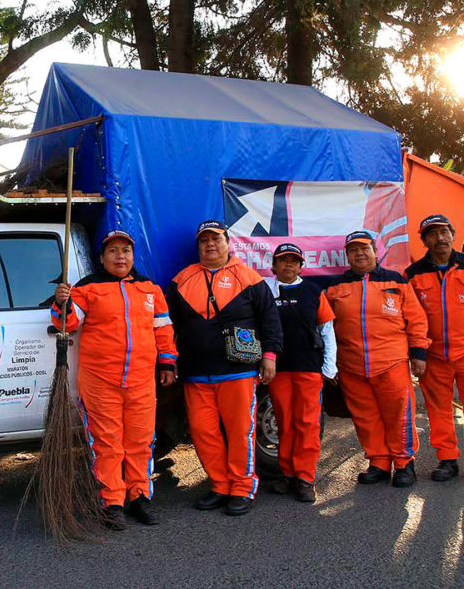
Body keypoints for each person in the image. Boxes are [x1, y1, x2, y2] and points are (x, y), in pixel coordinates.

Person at [52, 229, 178, 530]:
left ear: (132, 257)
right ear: (102, 258)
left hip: (141, 380)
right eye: (113, 251)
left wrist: (168, 362)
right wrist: (62, 302)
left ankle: (139, 497)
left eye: (125, 251)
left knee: (141, 442)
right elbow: (66, 323)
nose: (120, 256)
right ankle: (112, 503)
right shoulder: (87, 288)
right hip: (100, 381)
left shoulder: (150, 289)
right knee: (108, 445)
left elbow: (163, 330)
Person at [165, 220, 283, 516]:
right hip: (195, 373)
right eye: (204, 241)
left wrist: (269, 355)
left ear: (228, 242)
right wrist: (170, 359)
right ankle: (220, 485)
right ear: (198, 247)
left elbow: (270, 320)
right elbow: (168, 326)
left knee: (240, 431)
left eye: (216, 239)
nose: (210, 245)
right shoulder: (182, 280)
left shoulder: (249, 278)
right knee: (204, 434)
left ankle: (243, 486)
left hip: (238, 372)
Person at [324, 231, 431, 488]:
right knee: (365, 417)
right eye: (353, 250)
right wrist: (331, 363)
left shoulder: (396, 281)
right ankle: (379, 462)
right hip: (351, 365)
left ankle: (404, 463)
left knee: (399, 415)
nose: (359, 254)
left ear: (375, 251)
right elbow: (326, 326)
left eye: (365, 248)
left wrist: (418, 353)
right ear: (347, 255)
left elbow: (416, 320)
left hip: (391, 361)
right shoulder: (335, 287)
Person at [405, 214, 464, 485]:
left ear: (453, 234)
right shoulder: (413, 275)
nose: (439, 238)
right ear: (424, 240)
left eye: (444, 232)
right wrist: (418, 354)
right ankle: (447, 460)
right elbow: (412, 318)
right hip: (434, 358)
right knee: (439, 411)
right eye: (432, 234)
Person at [264, 243, 337, 503]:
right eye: (283, 261)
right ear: (274, 265)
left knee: (307, 423)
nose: (288, 265)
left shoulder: (312, 291)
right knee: (284, 422)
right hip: (278, 369)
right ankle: (288, 474)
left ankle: (305, 477)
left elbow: (327, 329)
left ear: (300, 265)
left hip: (308, 367)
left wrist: (330, 366)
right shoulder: (265, 289)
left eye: (293, 261)